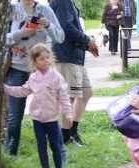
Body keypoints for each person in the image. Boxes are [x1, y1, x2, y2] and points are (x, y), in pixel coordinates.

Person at [3, 44, 73, 168]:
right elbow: (23, 91)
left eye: (48, 57)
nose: (46, 60)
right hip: (37, 119)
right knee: (41, 144)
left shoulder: (56, 77)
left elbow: (64, 97)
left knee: (56, 145)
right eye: (42, 59)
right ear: (35, 62)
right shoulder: (33, 78)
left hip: (52, 118)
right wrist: (6, 89)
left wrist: (68, 114)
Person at [4, 0, 64, 156]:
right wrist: (20, 34)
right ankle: (10, 155)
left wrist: (49, 25)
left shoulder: (45, 10)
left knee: (48, 113)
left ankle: (56, 154)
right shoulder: (10, 9)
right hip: (16, 67)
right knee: (15, 117)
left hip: (41, 71)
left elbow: (60, 37)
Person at [51, 0, 99, 146]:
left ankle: (73, 131)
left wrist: (86, 44)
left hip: (75, 55)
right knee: (69, 97)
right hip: (66, 55)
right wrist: (87, 40)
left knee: (86, 92)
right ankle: (65, 137)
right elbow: (66, 27)